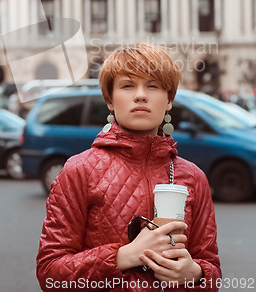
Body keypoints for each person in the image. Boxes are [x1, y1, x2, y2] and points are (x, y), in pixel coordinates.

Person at [36, 44, 221, 291]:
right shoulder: (79, 170)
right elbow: (50, 273)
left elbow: (212, 271)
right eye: (127, 85)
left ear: (169, 100)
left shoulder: (193, 177)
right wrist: (124, 256)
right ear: (110, 100)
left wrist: (195, 273)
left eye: (153, 86)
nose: (141, 95)